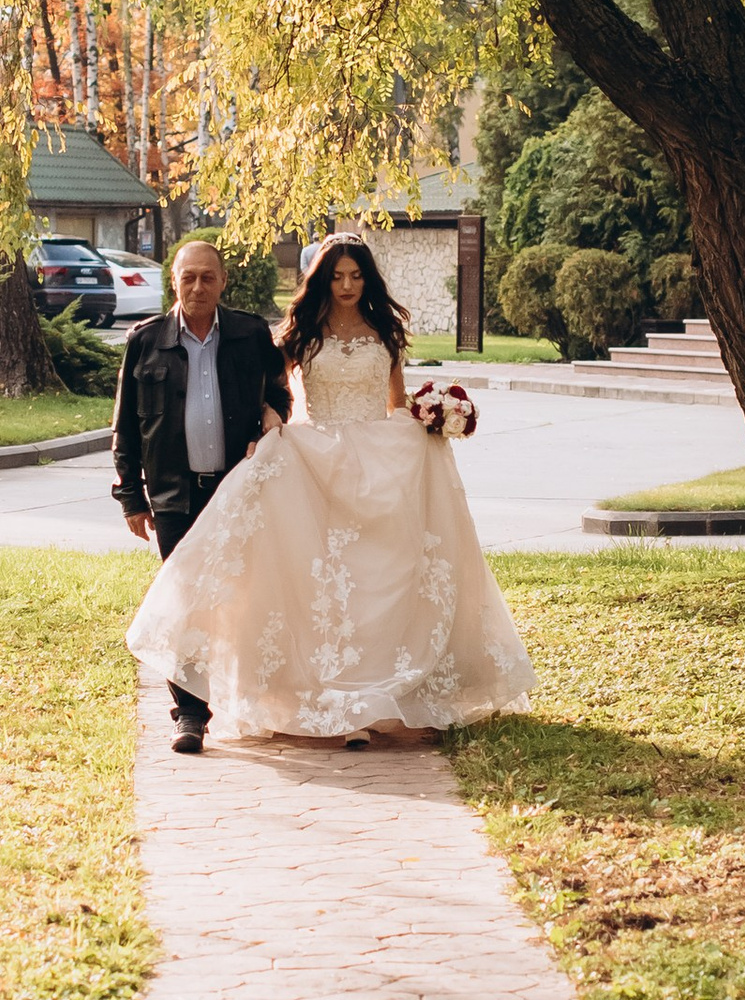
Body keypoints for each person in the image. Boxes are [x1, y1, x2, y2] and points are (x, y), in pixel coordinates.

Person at [127, 231, 536, 748]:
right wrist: (271, 418)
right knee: (324, 586)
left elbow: (394, 402)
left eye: (356, 275)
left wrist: (436, 413)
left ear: (367, 279)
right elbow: (276, 390)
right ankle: (320, 698)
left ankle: (374, 694)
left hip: (377, 460)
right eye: (337, 275)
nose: (346, 285)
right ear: (323, 277)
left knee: (374, 580)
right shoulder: (301, 333)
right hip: (315, 460)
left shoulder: (385, 331)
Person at [111, 236, 295, 754]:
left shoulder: (250, 334)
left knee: (242, 599)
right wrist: (131, 498)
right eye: (188, 277)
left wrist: (272, 416)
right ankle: (190, 714)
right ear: (174, 280)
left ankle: (254, 697)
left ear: (222, 282)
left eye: (207, 277)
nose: (197, 286)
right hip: (174, 497)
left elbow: (278, 392)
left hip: (236, 490)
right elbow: (124, 427)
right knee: (186, 605)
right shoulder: (145, 341)